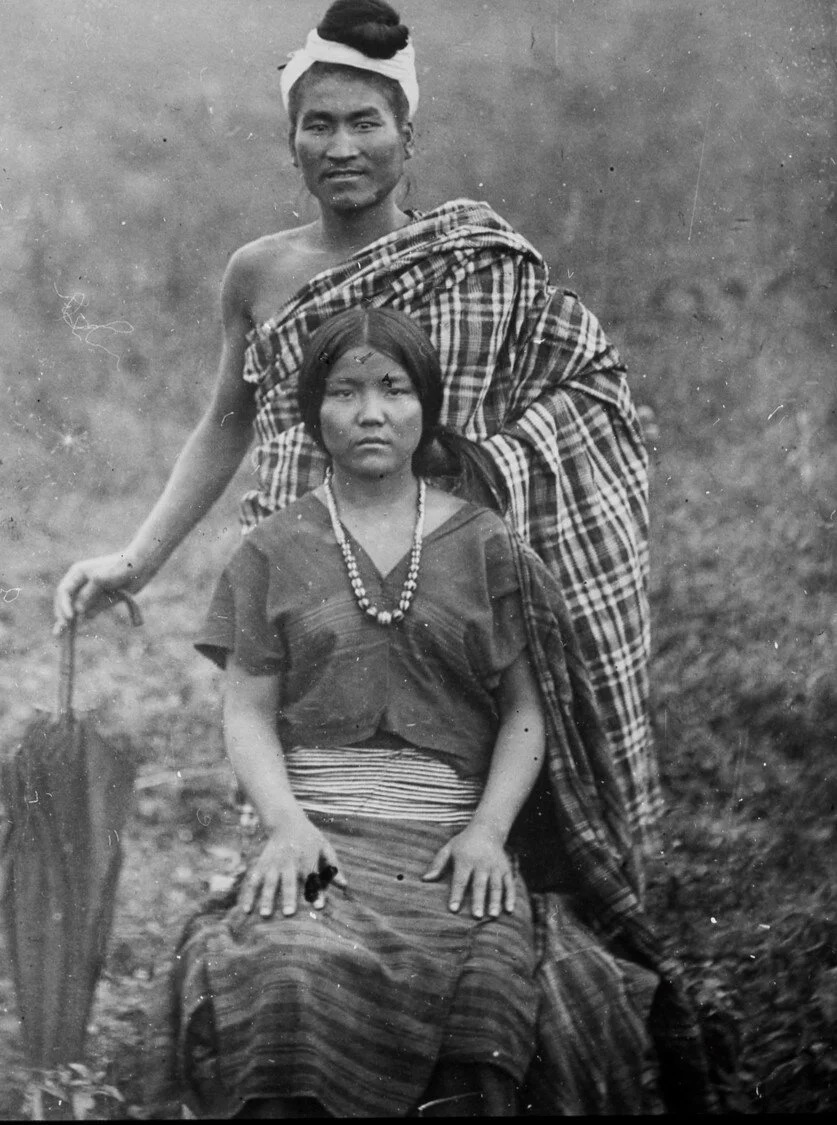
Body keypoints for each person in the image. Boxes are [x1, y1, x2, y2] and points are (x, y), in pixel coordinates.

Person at [54, 0, 660, 852]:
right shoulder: (259, 273)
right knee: (304, 808)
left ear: (407, 136)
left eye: (366, 123)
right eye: (318, 125)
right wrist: (135, 562)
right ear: (292, 140)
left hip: (442, 585)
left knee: (455, 815)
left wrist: (482, 473)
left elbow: (589, 393)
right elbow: (226, 425)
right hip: (302, 579)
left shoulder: (476, 263)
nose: (342, 148)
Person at [149, 307, 712, 1118]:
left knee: (487, 996)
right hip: (323, 836)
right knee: (287, 970)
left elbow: (526, 710)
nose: (371, 412)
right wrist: (286, 827)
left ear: (428, 406)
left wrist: (485, 832)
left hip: (449, 844)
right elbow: (246, 712)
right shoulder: (271, 548)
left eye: (394, 389)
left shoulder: (487, 545)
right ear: (314, 411)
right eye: (345, 391)